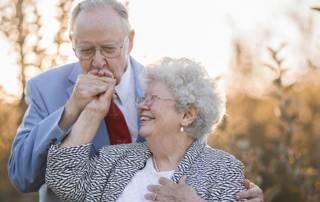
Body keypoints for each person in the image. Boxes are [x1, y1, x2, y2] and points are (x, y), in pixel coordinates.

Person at [8, 0, 263, 201]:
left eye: (109, 49)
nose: (98, 62)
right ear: (72, 42)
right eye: (86, 50)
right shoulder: (44, 89)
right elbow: (23, 178)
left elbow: (195, 157)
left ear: (129, 41)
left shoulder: (166, 84)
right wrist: (71, 110)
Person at [47, 57, 245, 201]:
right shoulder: (115, 159)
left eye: (153, 99)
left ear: (187, 115)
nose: (142, 105)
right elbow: (63, 180)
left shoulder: (223, 169)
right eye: (143, 98)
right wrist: (93, 112)